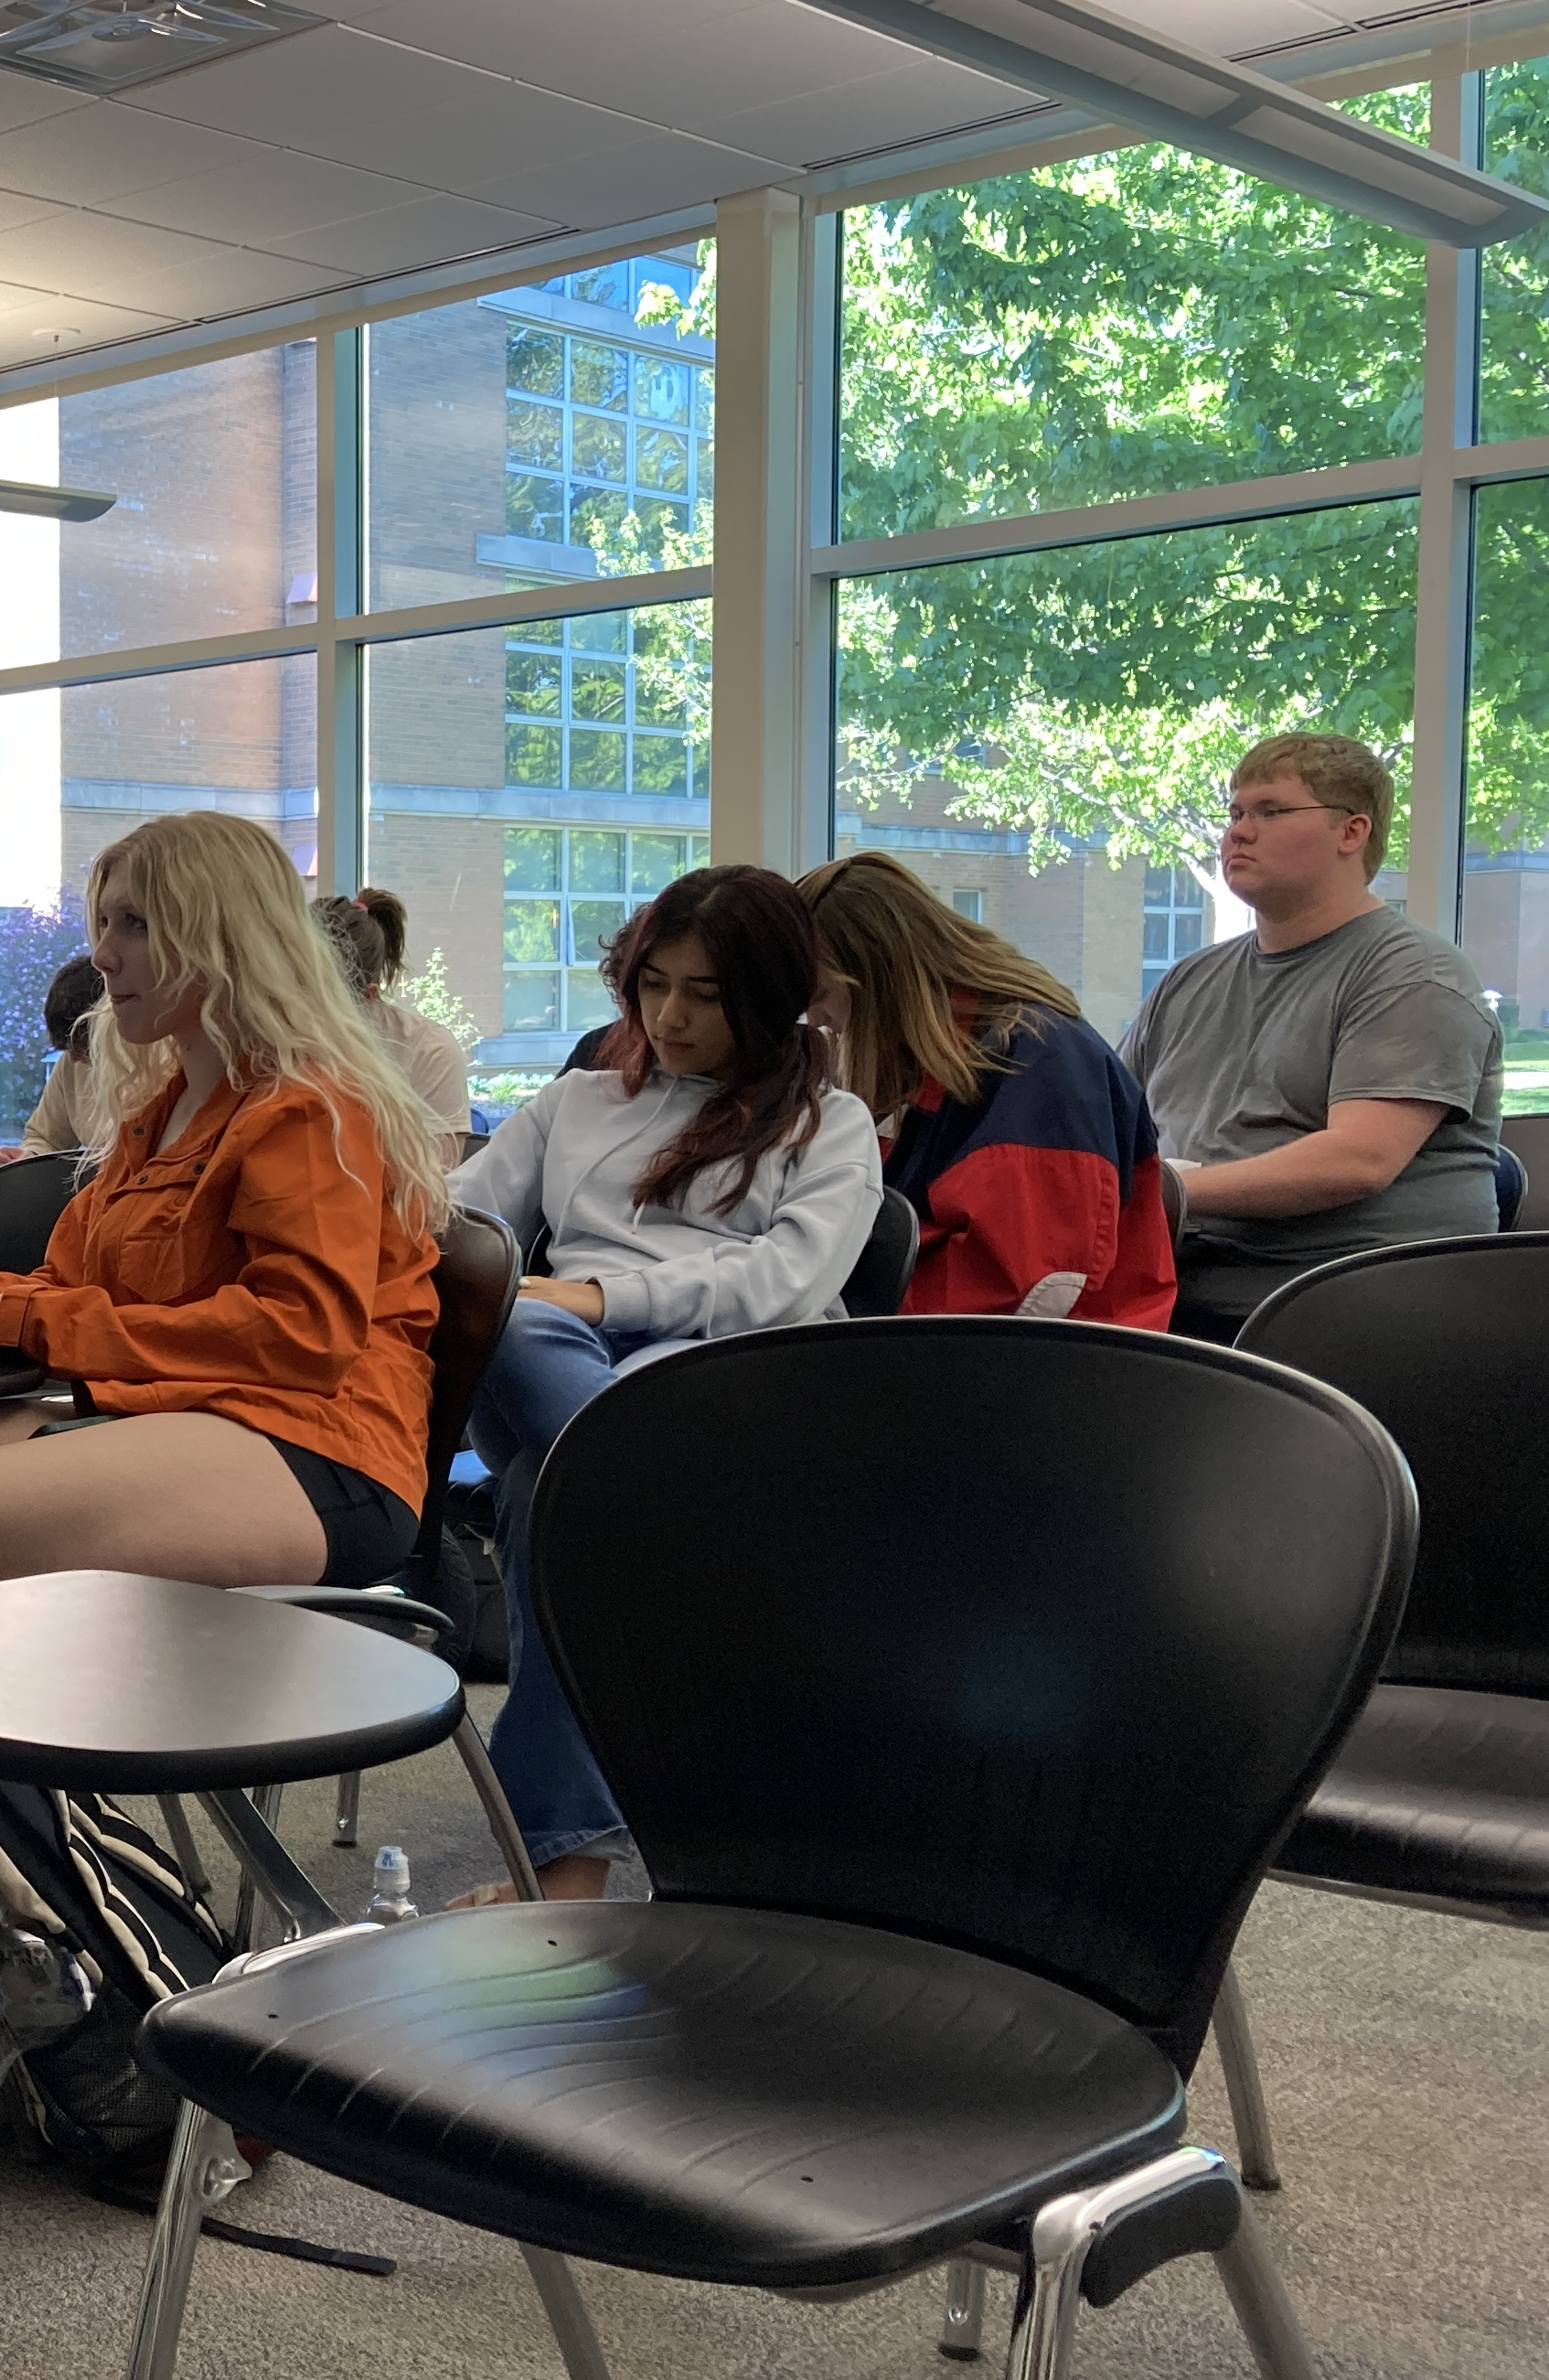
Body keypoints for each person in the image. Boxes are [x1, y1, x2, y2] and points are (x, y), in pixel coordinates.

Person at [0, 811, 449, 2159]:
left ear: (216, 933)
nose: (103, 953)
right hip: (193, 1419)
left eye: (133, 924)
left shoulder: (308, 1102)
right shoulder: (161, 1104)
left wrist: (20, 1324)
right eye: (102, 921)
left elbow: (301, 1335)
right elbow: (76, 1294)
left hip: (319, 1450)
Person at [446, 864, 881, 1905]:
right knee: (508, 1322)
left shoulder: (833, 1124)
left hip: (741, 1381)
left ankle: (562, 1865)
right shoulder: (577, 1103)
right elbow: (464, 1228)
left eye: (706, 993)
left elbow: (787, 1283)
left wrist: (598, 1297)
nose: (670, 1016)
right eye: (654, 985)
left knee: (547, 1490)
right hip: (578, 1375)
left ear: (770, 995)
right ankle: (565, 1859)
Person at [1120, 734, 1503, 1341]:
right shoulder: (1189, 981)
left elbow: (1358, 1160)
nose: (1239, 831)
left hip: (1347, 1310)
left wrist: (1165, 1190)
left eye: (1271, 811)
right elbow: (1113, 1123)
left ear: (1351, 833)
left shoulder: (1413, 972)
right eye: (1235, 813)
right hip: (1183, 1295)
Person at [797, 851, 1175, 1324]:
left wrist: (822, 1312)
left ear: (877, 980)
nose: (816, 1020)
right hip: (959, 1351)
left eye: (820, 995)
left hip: (1059, 1367)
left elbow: (1022, 1289)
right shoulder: (935, 1057)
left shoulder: (1037, 1060)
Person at [315, 887, 474, 1163]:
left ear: (368, 995)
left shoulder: (430, 1051)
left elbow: (436, 1184)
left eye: (316, 995)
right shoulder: (264, 1041)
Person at [16, 954, 108, 1157]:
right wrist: (28, 1156)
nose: (74, 1058)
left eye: (82, 1047)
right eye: (68, 1048)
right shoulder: (71, 1064)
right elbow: (45, 1138)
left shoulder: (162, 1065)